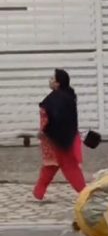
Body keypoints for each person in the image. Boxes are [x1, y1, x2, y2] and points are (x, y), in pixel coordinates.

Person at [33, 69, 87, 200]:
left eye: (52, 78)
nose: (50, 81)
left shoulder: (56, 99)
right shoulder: (68, 95)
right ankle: (38, 192)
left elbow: (48, 117)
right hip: (64, 137)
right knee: (58, 165)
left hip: (55, 138)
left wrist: (42, 131)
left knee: (59, 165)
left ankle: (85, 193)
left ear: (58, 83)